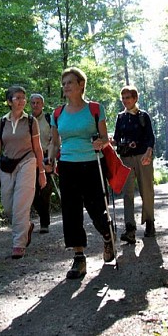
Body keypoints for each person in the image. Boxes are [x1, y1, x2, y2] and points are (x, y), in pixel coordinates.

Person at [50, 67, 116, 280]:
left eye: (70, 82)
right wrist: (49, 159)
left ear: (81, 85)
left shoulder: (95, 109)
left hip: (91, 162)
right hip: (67, 164)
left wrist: (101, 142)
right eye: (64, 83)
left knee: (96, 208)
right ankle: (79, 257)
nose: (66, 86)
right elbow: (54, 141)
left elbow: (105, 137)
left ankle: (107, 235)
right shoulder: (57, 113)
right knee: (71, 211)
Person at [0, 86, 46, 259]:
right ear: (9, 101)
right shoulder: (2, 121)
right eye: (17, 97)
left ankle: (18, 243)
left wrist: (41, 170)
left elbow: (38, 147)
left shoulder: (30, 121)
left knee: (21, 203)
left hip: (27, 161)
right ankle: (26, 226)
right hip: (6, 165)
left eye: (23, 97)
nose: (21, 100)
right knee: (7, 204)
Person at [112, 85, 157, 243]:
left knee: (146, 190)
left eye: (128, 98)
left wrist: (149, 151)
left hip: (143, 157)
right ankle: (129, 228)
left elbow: (150, 137)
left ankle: (150, 223)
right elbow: (117, 137)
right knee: (127, 193)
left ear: (135, 98)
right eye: (123, 98)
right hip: (125, 159)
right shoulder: (120, 117)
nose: (125, 101)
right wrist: (108, 141)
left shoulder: (143, 116)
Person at [30, 93, 55, 233]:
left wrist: (51, 159)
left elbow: (55, 140)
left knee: (45, 190)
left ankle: (44, 223)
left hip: (46, 157)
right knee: (32, 192)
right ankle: (43, 216)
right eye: (33, 103)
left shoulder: (48, 119)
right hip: (30, 159)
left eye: (38, 102)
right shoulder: (26, 120)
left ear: (42, 104)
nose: (35, 105)